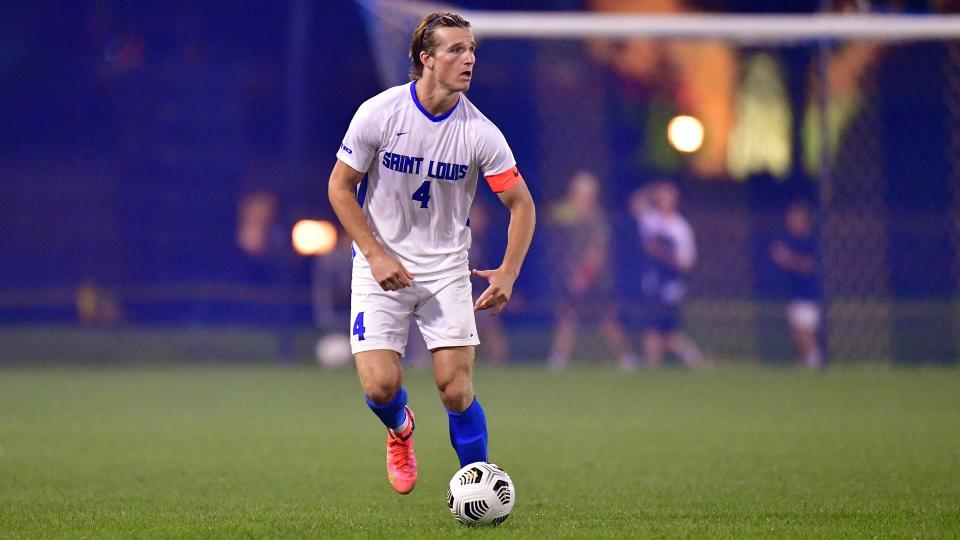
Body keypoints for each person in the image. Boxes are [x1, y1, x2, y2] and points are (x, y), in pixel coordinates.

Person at [327, 12, 536, 496]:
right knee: (378, 387)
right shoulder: (379, 113)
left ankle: (478, 487)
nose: (469, 60)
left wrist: (509, 271)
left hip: (445, 270)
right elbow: (340, 187)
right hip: (382, 267)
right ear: (426, 58)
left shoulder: (480, 132)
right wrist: (376, 255)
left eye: (472, 51)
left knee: (456, 389)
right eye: (456, 50)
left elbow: (521, 203)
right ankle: (400, 429)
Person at [546, 170, 640, 371]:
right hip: (575, 277)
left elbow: (596, 251)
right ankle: (558, 359)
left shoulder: (596, 220)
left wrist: (583, 276)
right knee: (567, 317)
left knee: (605, 320)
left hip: (595, 280)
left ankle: (627, 357)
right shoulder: (574, 218)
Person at [631, 180, 705, 368]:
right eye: (661, 197)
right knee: (659, 331)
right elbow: (636, 203)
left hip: (670, 287)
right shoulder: (651, 219)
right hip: (651, 284)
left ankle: (663, 364)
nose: (663, 201)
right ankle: (663, 365)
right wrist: (651, 191)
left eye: (667, 197)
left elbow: (686, 262)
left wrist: (663, 253)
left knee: (660, 332)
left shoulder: (680, 228)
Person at [770, 200, 823, 368]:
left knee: (803, 331)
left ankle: (816, 361)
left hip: (809, 293)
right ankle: (803, 365)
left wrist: (787, 259)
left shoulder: (811, 241)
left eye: (796, 218)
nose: (791, 222)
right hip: (795, 293)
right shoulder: (791, 240)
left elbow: (811, 265)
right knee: (797, 332)